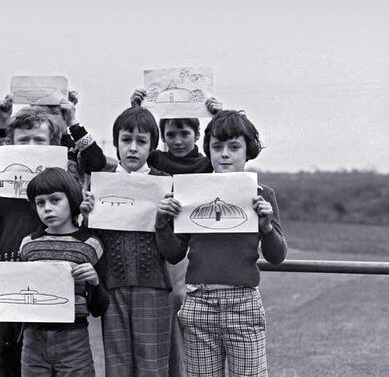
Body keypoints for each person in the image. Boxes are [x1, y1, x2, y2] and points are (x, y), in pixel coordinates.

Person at [0, 99, 106, 377]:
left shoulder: (60, 186)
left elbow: (96, 163)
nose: (31, 145)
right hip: (8, 277)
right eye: (24, 139)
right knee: (6, 363)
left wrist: (72, 123)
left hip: (56, 287)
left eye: (39, 139)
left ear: (54, 145)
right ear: (12, 144)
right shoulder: (0, 183)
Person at [154, 109, 287, 376]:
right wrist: (161, 224)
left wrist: (267, 227)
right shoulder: (191, 193)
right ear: (209, 151)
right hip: (198, 303)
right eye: (217, 146)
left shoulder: (263, 195)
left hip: (244, 303)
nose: (225, 153)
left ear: (248, 151)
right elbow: (174, 254)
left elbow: (277, 255)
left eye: (234, 147)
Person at [0, 167, 109, 376]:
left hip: (74, 341)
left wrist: (95, 283)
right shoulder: (28, 244)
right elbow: (18, 299)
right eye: (40, 203)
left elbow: (100, 307)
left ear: (72, 200)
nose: (47, 208)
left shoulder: (91, 244)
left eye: (55, 200)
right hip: (32, 342)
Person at [130, 88, 221, 376]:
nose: (178, 141)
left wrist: (218, 117)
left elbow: (231, 158)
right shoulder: (155, 161)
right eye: (171, 134)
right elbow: (130, 159)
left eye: (184, 133)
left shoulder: (207, 164)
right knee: (164, 313)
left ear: (197, 134)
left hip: (192, 249)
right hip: (157, 242)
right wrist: (136, 109)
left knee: (186, 310)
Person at [83, 106, 173, 376]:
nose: (133, 148)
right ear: (116, 143)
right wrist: (86, 216)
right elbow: (92, 240)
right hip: (113, 286)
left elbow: (174, 250)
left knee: (153, 367)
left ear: (152, 146)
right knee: (118, 367)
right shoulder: (101, 184)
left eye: (141, 141)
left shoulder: (164, 185)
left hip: (153, 286)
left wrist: (165, 220)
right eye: (126, 140)